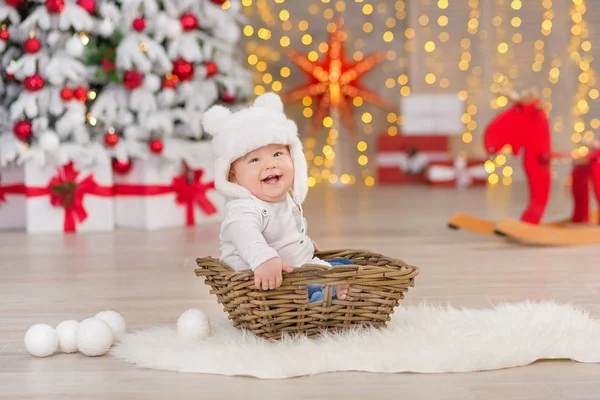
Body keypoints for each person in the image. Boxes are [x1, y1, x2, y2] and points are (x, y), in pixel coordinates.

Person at [201, 92, 349, 301]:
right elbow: (248, 239)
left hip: (296, 270)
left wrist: (304, 245)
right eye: (254, 160)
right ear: (232, 176)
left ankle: (330, 286)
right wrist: (264, 260)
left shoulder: (285, 197)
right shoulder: (243, 208)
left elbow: (287, 231)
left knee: (345, 266)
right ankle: (324, 297)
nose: (270, 164)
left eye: (278, 154)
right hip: (264, 279)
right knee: (302, 293)